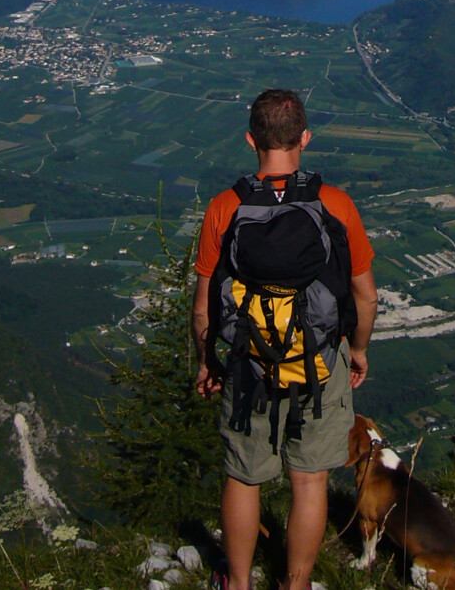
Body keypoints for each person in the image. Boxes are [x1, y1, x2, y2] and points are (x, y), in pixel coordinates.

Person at [190, 88, 378, 590]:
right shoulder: (335, 205)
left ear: (251, 140)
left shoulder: (224, 208)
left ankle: (239, 583)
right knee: (310, 481)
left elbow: (205, 303)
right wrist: (356, 350)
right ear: (306, 140)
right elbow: (366, 296)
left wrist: (209, 361)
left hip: (250, 365)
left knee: (244, 477)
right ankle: (294, 586)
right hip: (319, 366)